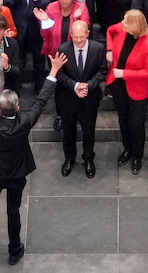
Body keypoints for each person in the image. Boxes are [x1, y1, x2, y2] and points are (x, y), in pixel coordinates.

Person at [0, 49, 65, 265]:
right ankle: (14, 250)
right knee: (13, 210)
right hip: (17, 173)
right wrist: (53, 71)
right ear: (17, 107)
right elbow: (41, 101)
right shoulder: (25, 121)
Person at [105, 8, 148, 174]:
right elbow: (108, 31)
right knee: (123, 119)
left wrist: (124, 73)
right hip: (118, 86)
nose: (122, 23)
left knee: (136, 124)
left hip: (138, 89)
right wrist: (109, 50)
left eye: (126, 21)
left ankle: (137, 156)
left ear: (135, 25)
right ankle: (127, 149)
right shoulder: (121, 29)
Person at [55, 18, 107, 178]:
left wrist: (87, 86)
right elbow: (59, 73)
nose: (78, 40)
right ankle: (69, 158)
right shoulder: (63, 48)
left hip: (90, 97)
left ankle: (88, 158)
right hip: (68, 97)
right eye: (75, 37)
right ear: (71, 35)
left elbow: (102, 71)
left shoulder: (98, 48)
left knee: (88, 130)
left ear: (88, 34)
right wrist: (75, 86)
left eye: (81, 37)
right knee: (68, 130)